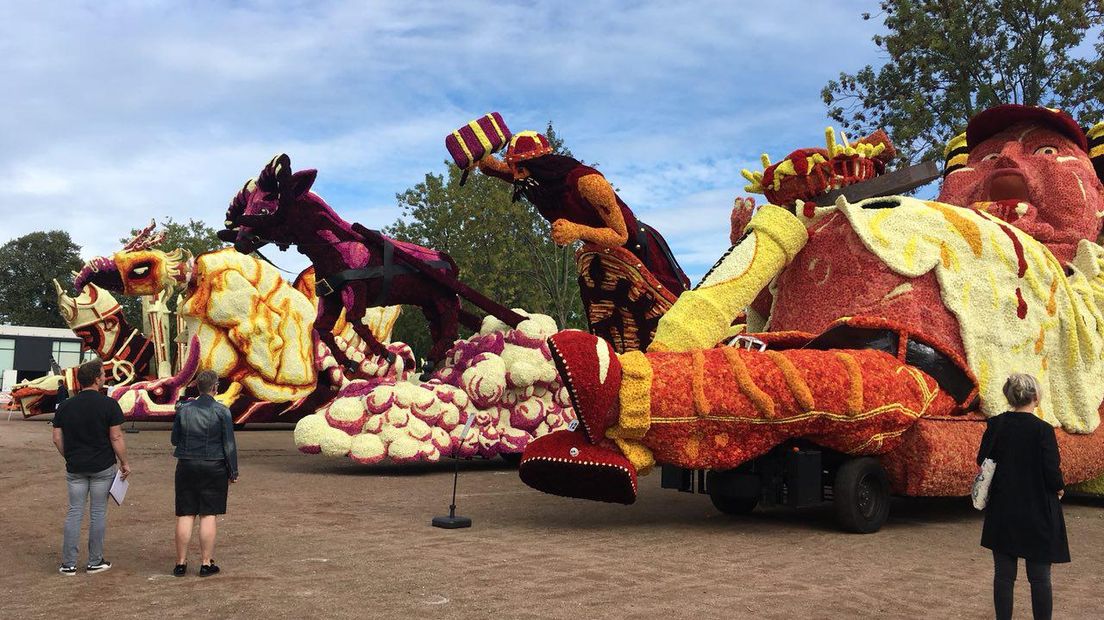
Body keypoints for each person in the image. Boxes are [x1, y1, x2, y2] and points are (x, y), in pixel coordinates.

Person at [477, 130, 691, 295]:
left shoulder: (588, 183)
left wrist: (577, 231)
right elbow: (493, 168)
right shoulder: (531, 180)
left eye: (519, 170)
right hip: (604, 264)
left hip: (641, 254)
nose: (515, 177)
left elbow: (620, 235)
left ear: (539, 165)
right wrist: (477, 155)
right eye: (512, 169)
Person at [977, 374, 1069, 620]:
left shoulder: (996, 425)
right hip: (1038, 510)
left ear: (1010, 396)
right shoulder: (1043, 430)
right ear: (1035, 397)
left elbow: (982, 461)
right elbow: (1051, 470)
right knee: (1040, 578)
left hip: (1003, 509)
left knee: (1004, 576)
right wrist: (1059, 488)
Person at [52, 357, 130, 575]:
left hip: (75, 466)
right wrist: (124, 462)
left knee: (74, 512)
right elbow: (115, 437)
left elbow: (57, 437)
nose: (105, 378)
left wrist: (69, 455)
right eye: (103, 375)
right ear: (97, 379)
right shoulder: (109, 404)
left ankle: (68, 563)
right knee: (98, 513)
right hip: (102, 466)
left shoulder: (66, 405)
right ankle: (95, 560)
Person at [171, 369, 238, 577]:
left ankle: (180, 563)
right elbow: (229, 444)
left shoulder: (183, 410)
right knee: (208, 514)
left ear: (197, 387)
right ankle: (206, 563)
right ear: (215, 388)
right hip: (214, 465)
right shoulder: (222, 411)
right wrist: (233, 470)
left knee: (185, 513)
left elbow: (175, 439)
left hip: (187, 464)